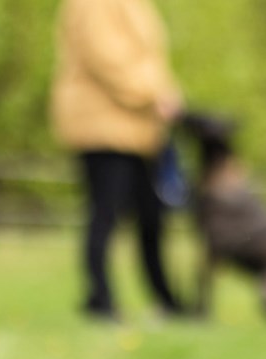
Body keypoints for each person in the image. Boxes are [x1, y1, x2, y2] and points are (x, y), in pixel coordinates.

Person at [50, 0, 185, 321]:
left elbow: (150, 58)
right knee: (105, 214)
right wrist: (154, 95)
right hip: (103, 124)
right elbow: (105, 58)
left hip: (139, 128)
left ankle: (167, 301)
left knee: (151, 218)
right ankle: (100, 300)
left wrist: (169, 92)